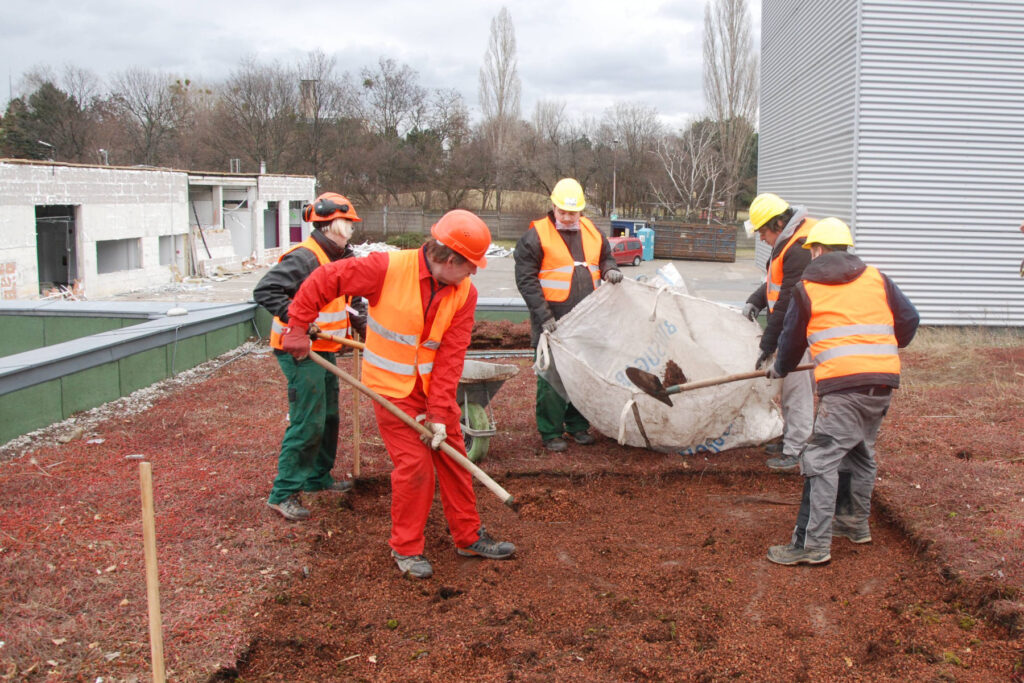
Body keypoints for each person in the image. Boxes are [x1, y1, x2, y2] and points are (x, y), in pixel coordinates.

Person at [280, 209, 515, 579]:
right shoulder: (386, 269)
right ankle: (406, 549)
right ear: (449, 259)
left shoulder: (464, 294)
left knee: (454, 459)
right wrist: (297, 325)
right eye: (470, 265)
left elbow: (450, 356)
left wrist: (440, 412)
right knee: (415, 468)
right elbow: (326, 278)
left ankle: (468, 537)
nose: (474, 273)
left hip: (433, 392)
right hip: (392, 391)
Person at [765, 218, 919, 566]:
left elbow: (791, 341)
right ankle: (853, 523)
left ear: (817, 250)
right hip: (881, 383)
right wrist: (884, 349)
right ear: (846, 247)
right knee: (860, 452)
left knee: (819, 460)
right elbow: (910, 319)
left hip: (844, 389)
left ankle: (811, 544)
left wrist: (780, 367)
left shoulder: (808, 287)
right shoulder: (876, 277)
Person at [254, 192, 365, 522]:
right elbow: (265, 291)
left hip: (328, 347)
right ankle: (283, 493)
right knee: (308, 420)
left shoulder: (343, 255)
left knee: (329, 416)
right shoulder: (305, 258)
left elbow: (353, 295)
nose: (352, 229)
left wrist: (361, 318)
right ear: (330, 224)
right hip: (300, 349)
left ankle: (318, 477)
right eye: (348, 223)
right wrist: (299, 320)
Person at [514, 178, 622, 452]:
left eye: (573, 213)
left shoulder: (592, 230)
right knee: (552, 378)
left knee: (584, 375)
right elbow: (527, 281)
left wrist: (610, 269)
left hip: (589, 319)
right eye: (563, 211)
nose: (568, 217)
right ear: (553, 206)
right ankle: (551, 432)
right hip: (552, 320)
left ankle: (577, 426)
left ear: (581, 211)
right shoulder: (535, 236)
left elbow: (605, 256)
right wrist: (543, 316)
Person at [741, 192, 816, 470]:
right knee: (789, 389)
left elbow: (786, 302)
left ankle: (796, 450)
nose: (761, 238)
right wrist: (755, 300)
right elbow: (776, 282)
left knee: (798, 391)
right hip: (795, 330)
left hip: (805, 333)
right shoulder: (789, 241)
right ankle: (790, 438)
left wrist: (768, 344)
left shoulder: (800, 247)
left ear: (776, 224)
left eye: (762, 231)